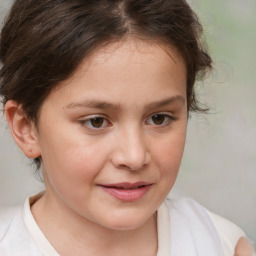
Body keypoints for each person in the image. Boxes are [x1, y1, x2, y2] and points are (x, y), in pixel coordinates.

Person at [0, 0, 254, 255]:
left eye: (158, 118)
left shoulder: (221, 246)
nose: (134, 157)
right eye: (96, 121)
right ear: (26, 128)